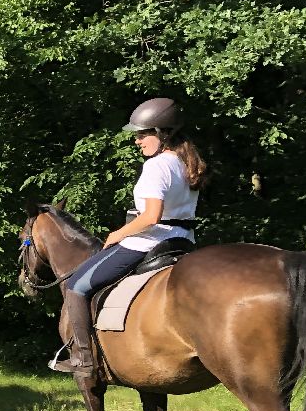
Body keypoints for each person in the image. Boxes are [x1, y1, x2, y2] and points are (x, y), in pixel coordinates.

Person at [53, 97, 207, 376]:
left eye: (143, 134)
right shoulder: (186, 163)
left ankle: (83, 360)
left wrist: (117, 234)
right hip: (183, 241)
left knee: (77, 285)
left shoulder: (157, 166)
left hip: (148, 241)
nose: (137, 140)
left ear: (163, 133)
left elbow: (151, 216)